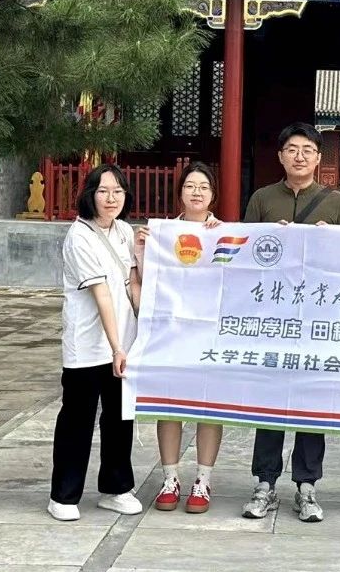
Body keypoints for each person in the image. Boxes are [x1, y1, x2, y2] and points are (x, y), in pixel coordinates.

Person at [240, 122, 340, 523]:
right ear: (280, 156)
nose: (299, 156)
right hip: (273, 318)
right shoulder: (262, 198)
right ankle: (265, 483)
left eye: (307, 150)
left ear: (319, 158)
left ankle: (307, 485)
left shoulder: (336, 203)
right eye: (292, 149)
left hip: (315, 319)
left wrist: (328, 240)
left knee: (311, 403)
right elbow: (245, 256)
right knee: (270, 403)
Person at [47, 163, 144, 521]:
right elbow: (102, 295)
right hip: (88, 347)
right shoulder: (80, 236)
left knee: (120, 419)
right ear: (90, 195)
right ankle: (63, 496)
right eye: (103, 191)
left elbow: (132, 285)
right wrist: (116, 347)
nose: (111, 198)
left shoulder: (124, 231)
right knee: (78, 420)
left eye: (118, 191)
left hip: (123, 344)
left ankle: (116, 489)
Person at [134, 161, 224, 514]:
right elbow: (147, 282)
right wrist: (143, 249)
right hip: (170, 334)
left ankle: (203, 480)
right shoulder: (162, 233)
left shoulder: (224, 234)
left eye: (204, 186)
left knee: (208, 405)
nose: (196, 192)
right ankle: (170, 478)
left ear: (213, 194)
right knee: (169, 405)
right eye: (190, 186)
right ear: (180, 192)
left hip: (209, 335)